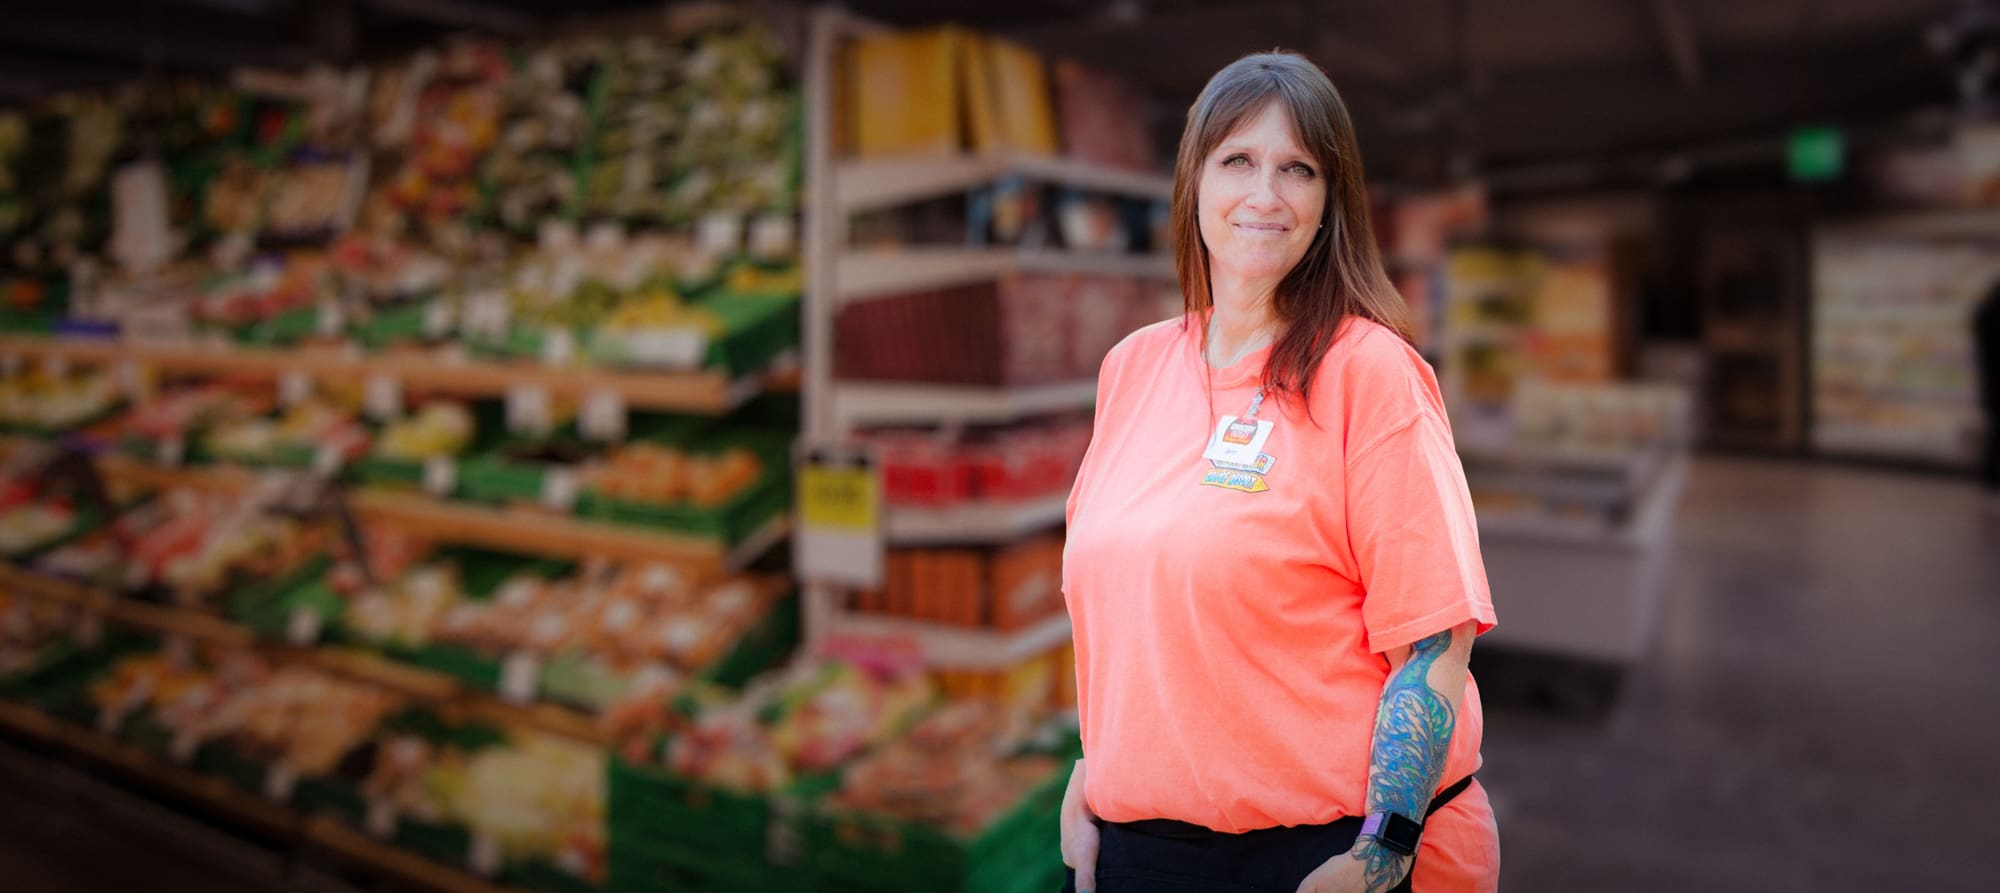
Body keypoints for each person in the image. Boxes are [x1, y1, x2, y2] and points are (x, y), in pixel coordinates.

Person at [1058, 51, 1500, 893]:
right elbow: (1127, 603)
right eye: (1238, 161)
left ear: (1330, 203)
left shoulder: (1370, 373)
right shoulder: (1134, 368)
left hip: (1323, 853)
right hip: (1142, 850)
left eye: (1299, 169)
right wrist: (1098, 767)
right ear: (1193, 181)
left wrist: (1382, 852)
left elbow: (1433, 646)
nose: (1266, 193)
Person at [1976, 277, 2000, 516]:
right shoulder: (1991, 316)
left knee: (1994, 435)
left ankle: (1990, 481)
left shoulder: (1983, 314)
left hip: (1991, 389)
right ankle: (1991, 481)